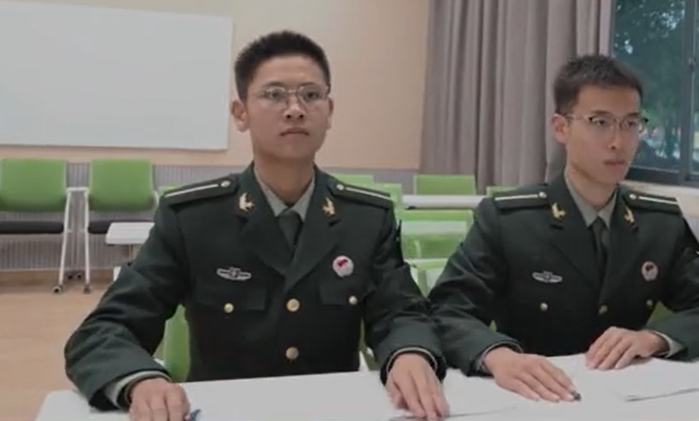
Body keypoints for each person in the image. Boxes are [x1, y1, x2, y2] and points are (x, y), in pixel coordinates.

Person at [64, 31, 449, 421]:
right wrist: (141, 381)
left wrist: (409, 353)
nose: (295, 109)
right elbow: (105, 331)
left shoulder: (365, 217)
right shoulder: (193, 218)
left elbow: (400, 312)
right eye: (274, 94)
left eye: (311, 95)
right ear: (240, 113)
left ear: (330, 111)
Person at [428, 54, 699, 402]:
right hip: (536, 398)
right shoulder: (509, 220)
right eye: (600, 122)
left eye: (630, 124)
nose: (618, 142)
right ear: (561, 128)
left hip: (630, 396)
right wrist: (497, 356)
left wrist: (652, 338)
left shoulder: (658, 223)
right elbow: (447, 311)